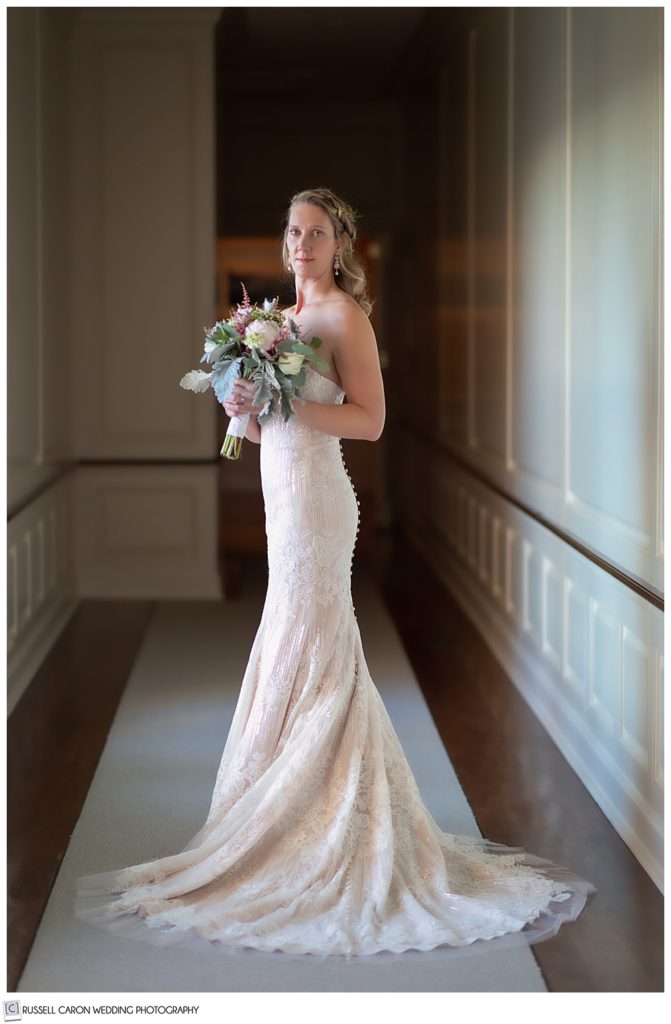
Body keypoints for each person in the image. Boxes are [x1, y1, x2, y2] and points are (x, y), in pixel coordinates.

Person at [75, 187, 597, 961]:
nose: (301, 243)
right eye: (292, 231)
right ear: (283, 242)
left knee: (314, 642)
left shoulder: (344, 319)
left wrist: (286, 404)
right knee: (289, 638)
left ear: (337, 244)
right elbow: (253, 434)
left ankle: (325, 826)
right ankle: (282, 813)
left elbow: (371, 419)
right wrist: (244, 403)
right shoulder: (274, 324)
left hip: (321, 505)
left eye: (315, 232)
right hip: (279, 501)